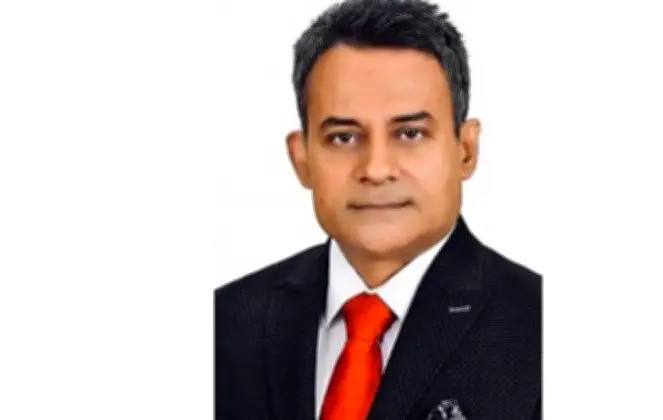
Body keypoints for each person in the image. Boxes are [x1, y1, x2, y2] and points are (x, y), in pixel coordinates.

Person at [215, 0, 542, 418]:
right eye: (343, 137)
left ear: (466, 149)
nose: (376, 169)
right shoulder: (223, 324)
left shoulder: (542, 329)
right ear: (302, 158)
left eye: (410, 133)